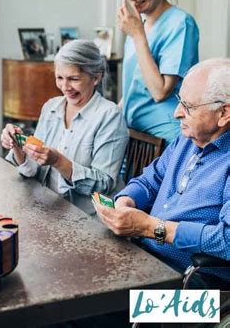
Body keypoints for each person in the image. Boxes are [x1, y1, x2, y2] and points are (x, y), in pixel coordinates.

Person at [95, 59, 229, 288]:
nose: (177, 113)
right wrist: (126, 200)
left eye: (188, 106)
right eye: (179, 102)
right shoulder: (186, 139)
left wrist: (151, 228)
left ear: (224, 113)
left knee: (91, 312)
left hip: (202, 291)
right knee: (75, 287)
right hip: (148, 261)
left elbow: (226, 241)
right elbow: (150, 180)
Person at [1, 40, 129, 215]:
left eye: (73, 79)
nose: (65, 87)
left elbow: (104, 185)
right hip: (48, 206)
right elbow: (32, 171)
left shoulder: (109, 116)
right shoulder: (51, 107)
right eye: (59, 78)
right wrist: (18, 147)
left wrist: (58, 162)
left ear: (96, 78)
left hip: (88, 217)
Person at [117, 0, 199, 145]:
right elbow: (133, 86)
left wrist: (137, 35)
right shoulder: (139, 24)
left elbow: (160, 91)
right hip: (133, 134)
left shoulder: (180, 23)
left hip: (164, 138)